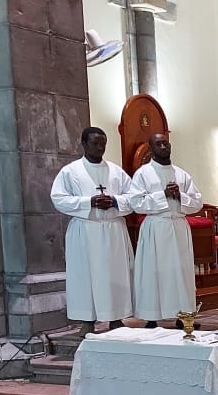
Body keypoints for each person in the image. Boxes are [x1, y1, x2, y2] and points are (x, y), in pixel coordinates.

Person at [50, 127, 138, 335]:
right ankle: (87, 321)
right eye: (95, 143)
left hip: (112, 230)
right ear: (83, 144)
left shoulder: (116, 171)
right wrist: (88, 202)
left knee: (115, 274)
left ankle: (116, 318)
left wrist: (115, 201)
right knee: (84, 276)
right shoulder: (70, 171)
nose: (100, 148)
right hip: (85, 231)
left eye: (103, 144)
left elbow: (134, 197)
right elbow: (58, 199)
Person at [132, 133, 204, 328]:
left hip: (178, 227)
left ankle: (184, 316)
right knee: (153, 272)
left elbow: (197, 201)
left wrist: (179, 196)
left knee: (181, 272)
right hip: (156, 227)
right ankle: (151, 317)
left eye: (165, 143)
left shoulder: (181, 174)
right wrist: (162, 195)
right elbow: (136, 202)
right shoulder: (143, 174)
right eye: (158, 144)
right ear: (151, 148)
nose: (163, 146)